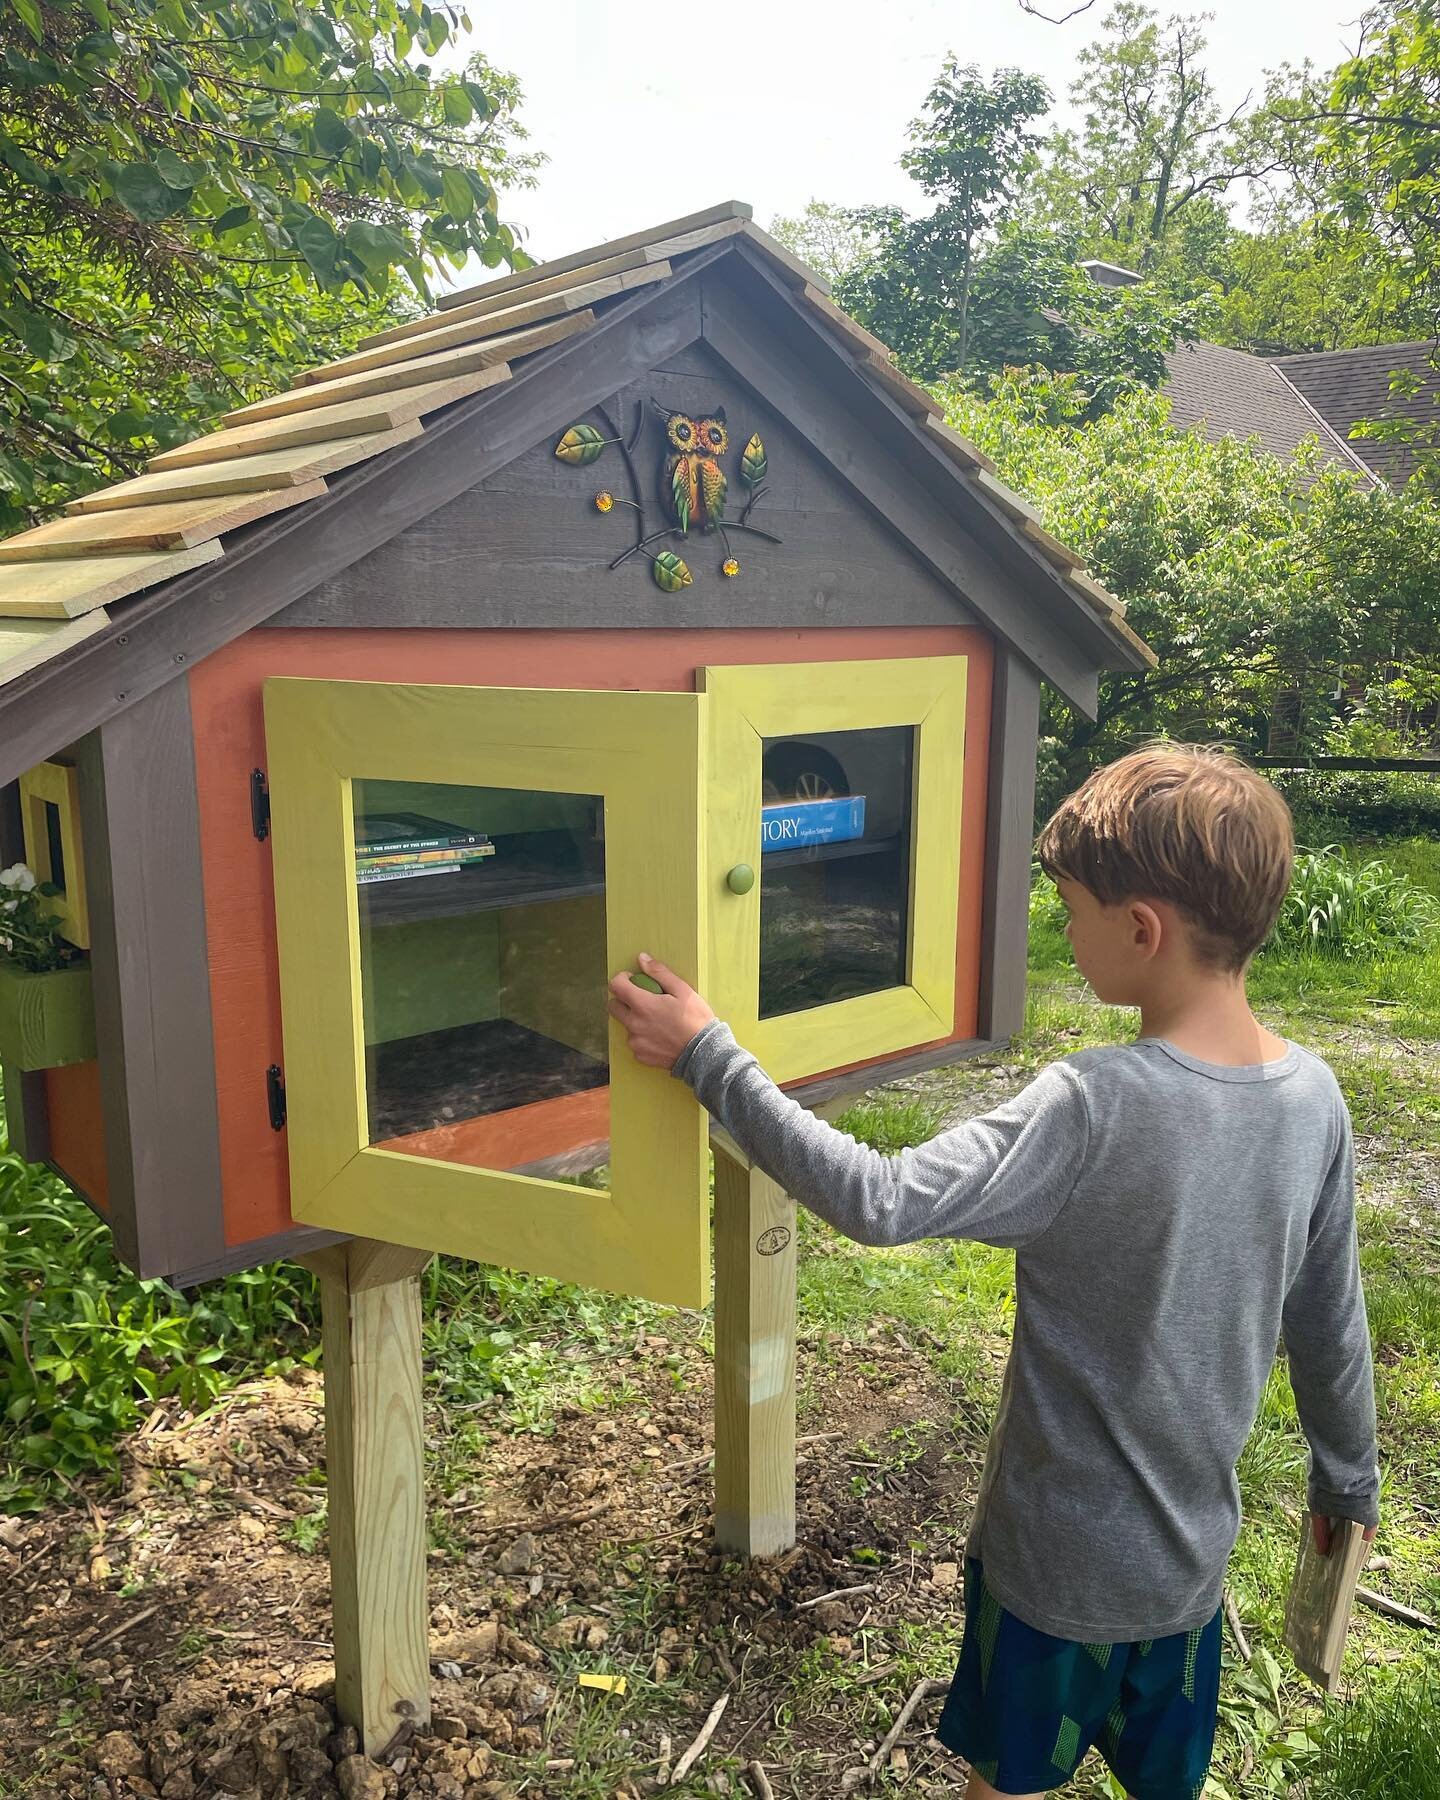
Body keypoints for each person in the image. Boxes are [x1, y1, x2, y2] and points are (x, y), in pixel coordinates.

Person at [607, 744, 1379, 1800]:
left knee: (1006, 1785)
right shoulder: (1315, 1102)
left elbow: (881, 1199)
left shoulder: (1094, 1105)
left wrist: (709, 1057)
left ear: (1142, 928)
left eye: (1070, 907)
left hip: (1051, 1582)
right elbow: (1330, 1317)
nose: (1062, 927)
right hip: (1189, 1579)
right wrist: (1347, 1479)